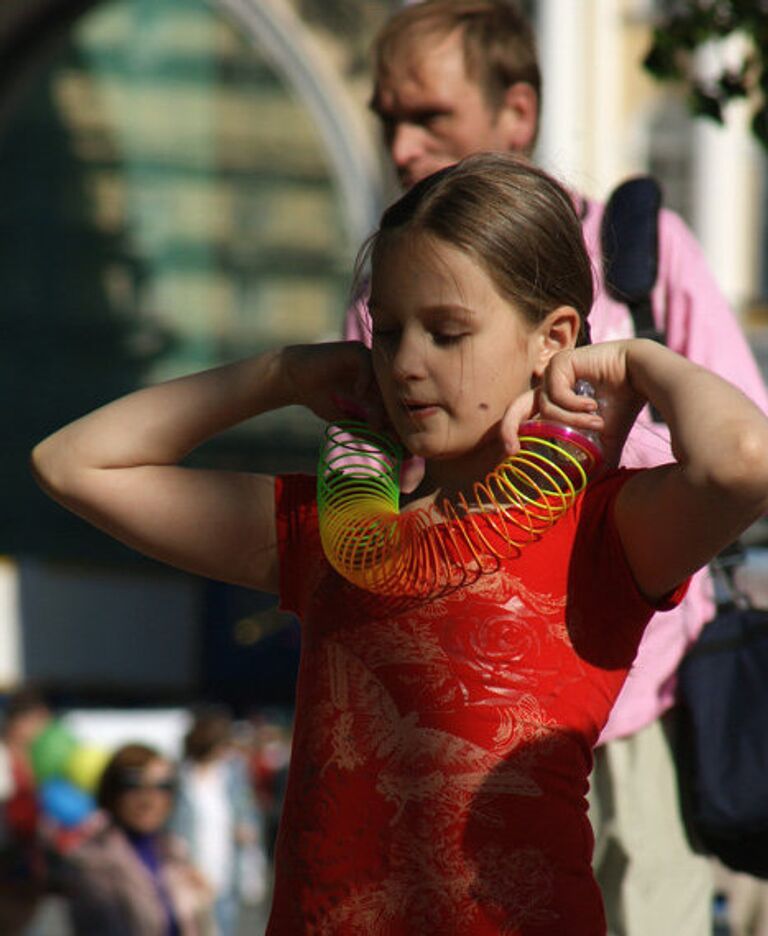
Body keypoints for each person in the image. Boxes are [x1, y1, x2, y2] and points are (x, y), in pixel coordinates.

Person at [30, 152, 768, 934]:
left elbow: (746, 463)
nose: (407, 363)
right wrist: (281, 372)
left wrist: (638, 360)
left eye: (447, 333)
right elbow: (72, 464)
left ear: (554, 336)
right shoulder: (332, 534)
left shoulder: (602, 530)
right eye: (386, 332)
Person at [343, 3, 768, 932]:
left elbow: (743, 447)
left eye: (429, 117)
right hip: (465, 711)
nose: (402, 146)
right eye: (386, 120)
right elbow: (364, 484)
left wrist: (585, 441)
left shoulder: (637, 252)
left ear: (516, 113)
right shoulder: (385, 291)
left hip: (633, 699)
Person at [62, 742, 214, 936]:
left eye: (162, 786)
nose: (149, 799)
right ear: (112, 791)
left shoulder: (174, 852)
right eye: (133, 785)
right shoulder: (92, 861)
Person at [171, 709, 266, 936]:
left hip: (225, 867)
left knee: (224, 926)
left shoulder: (232, 774)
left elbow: (247, 810)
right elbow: (172, 823)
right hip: (191, 868)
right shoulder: (182, 776)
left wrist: (248, 828)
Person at [0, 688, 51, 935]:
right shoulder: (3, 757)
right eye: (37, 723)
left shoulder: (34, 759)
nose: (40, 732)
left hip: (28, 864)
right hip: (7, 865)